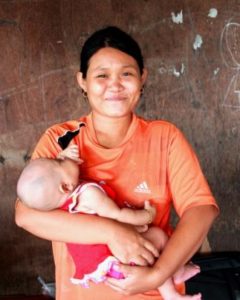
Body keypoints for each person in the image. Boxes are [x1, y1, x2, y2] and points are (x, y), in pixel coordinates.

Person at [15, 26, 219, 300]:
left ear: (142, 78)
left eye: (127, 73)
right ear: (82, 81)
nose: (115, 84)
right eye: (101, 75)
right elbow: (26, 214)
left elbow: (202, 209)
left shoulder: (164, 137)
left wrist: (157, 275)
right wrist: (113, 232)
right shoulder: (61, 140)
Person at [16, 144, 201, 299]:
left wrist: (63, 159)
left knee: (151, 249)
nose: (61, 158)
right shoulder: (88, 195)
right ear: (65, 186)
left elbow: (53, 176)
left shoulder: (57, 204)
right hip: (117, 257)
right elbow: (117, 215)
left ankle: (172, 279)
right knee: (158, 238)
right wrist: (146, 216)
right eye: (59, 161)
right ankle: (173, 287)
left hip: (102, 267)